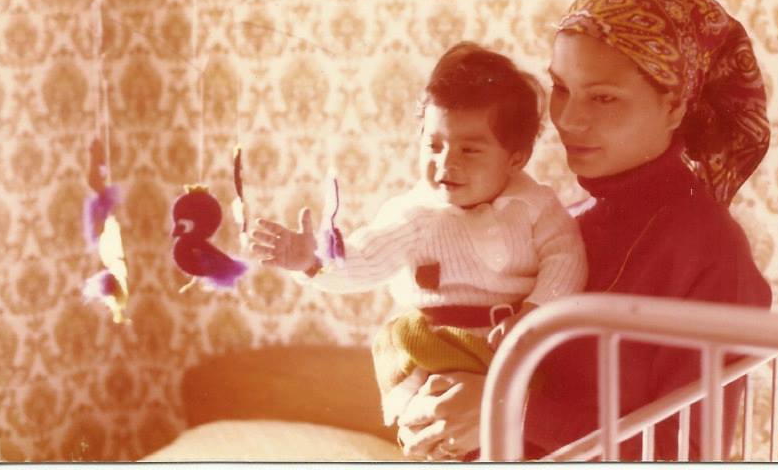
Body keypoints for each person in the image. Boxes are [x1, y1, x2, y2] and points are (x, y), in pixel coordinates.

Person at [395, 0, 773, 461]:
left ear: (675, 105)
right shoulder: (557, 225)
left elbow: (687, 454)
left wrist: (508, 407)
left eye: (603, 97)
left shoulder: (712, 253)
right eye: (560, 88)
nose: (568, 119)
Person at [250, 42, 587, 453]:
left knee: (523, 419)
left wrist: (533, 315)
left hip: (509, 340)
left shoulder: (536, 206)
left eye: (469, 149)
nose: (446, 163)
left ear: (516, 158)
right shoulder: (414, 214)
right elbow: (364, 258)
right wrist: (312, 261)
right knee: (432, 417)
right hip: (435, 344)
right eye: (433, 145)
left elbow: (565, 259)